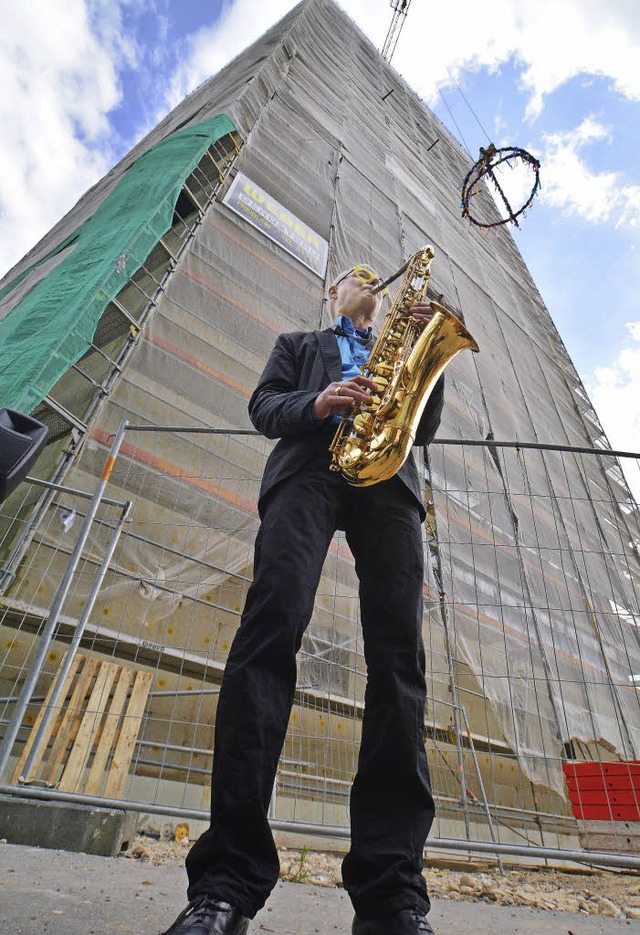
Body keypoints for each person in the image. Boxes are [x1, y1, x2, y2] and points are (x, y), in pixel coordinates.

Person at [160, 263, 445, 935]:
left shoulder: (395, 344)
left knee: (400, 665)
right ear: (334, 293)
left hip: (389, 479)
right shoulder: (297, 344)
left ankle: (392, 898)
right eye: (357, 273)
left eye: (376, 275)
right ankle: (225, 885)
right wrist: (318, 403)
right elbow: (264, 406)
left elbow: (425, 424)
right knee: (268, 636)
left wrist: (420, 349)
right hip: (307, 470)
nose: (369, 278)